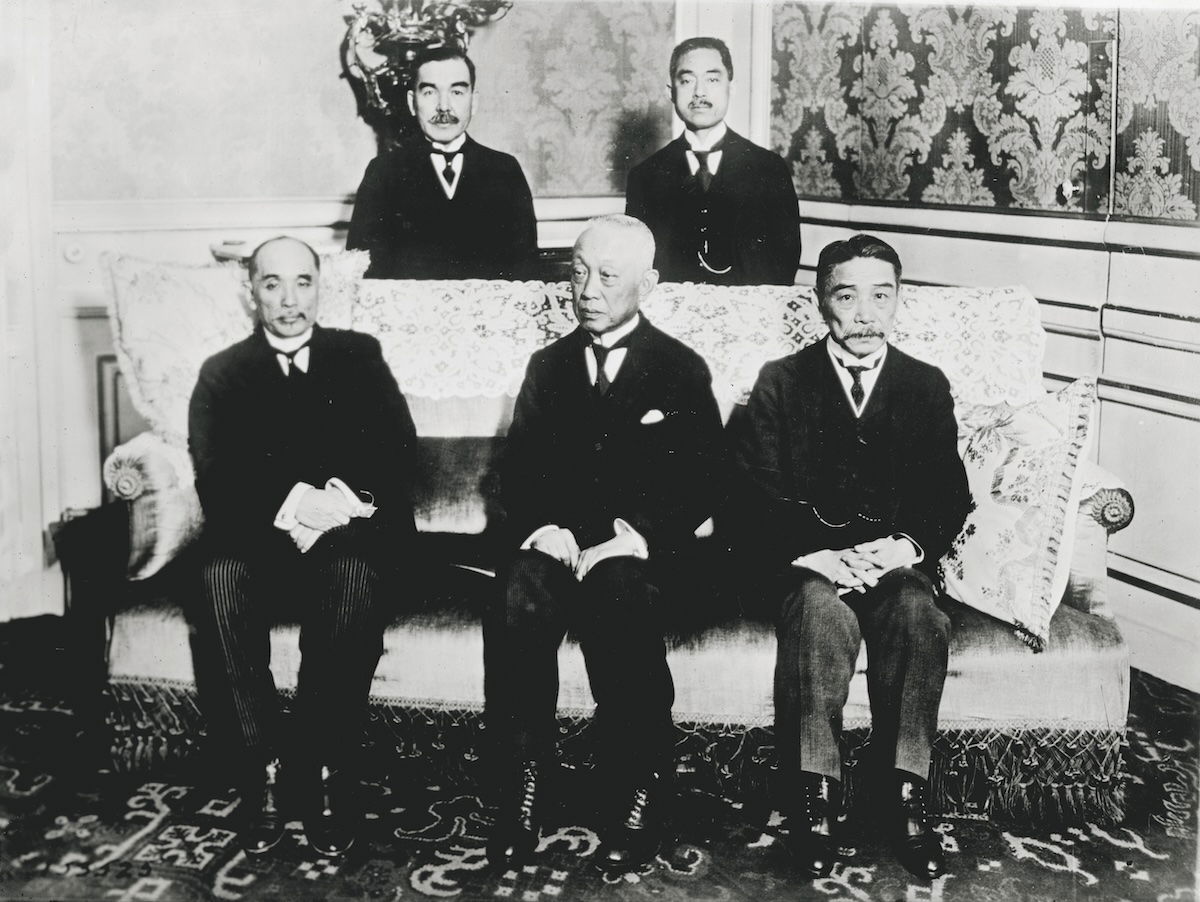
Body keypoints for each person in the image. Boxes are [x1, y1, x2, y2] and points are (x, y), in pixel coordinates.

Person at [484, 214, 725, 871]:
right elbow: (515, 473)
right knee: (518, 590)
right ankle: (524, 788)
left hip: (637, 557)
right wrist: (545, 528)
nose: (586, 288)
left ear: (646, 284)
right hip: (562, 545)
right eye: (578, 271)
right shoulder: (548, 366)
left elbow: (706, 483)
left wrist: (639, 536)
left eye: (606, 276)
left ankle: (639, 790)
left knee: (621, 594)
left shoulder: (680, 369)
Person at [731, 234, 971, 881]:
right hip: (812, 567)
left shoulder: (924, 385)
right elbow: (754, 490)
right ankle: (817, 800)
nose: (865, 313)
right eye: (847, 295)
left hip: (893, 563)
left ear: (898, 301)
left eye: (881, 296)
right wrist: (819, 555)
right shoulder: (782, 381)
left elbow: (948, 493)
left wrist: (903, 546)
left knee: (920, 617)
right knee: (816, 617)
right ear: (820, 304)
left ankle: (906, 795)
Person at [187, 236, 418, 858]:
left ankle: (319, 769)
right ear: (250, 292)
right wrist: (292, 502)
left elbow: (398, 450)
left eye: (303, 282)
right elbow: (218, 476)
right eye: (272, 284)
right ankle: (260, 772)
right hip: (261, 543)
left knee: (351, 570)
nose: (289, 300)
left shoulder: (359, 356)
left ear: (322, 286)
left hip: (345, 536)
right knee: (217, 576)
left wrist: (337, 500)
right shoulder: (223, 373)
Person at [346, 46, 537, 280]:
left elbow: (526, 272)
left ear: (473, 102)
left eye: (457, 92)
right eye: (429, 92)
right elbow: (360, 272)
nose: (444, 107)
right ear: (411, 102)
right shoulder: (383, 173)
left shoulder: (505, 172)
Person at [625, 37, 800, 286]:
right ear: (670, 92)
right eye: (686, 80)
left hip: (747, 316)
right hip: (670, 317)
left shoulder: (769, 168)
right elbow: (639, 266)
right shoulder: (645, 176)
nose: (699, 92)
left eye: (712, 79)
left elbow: (783, 263)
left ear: (731, 87)